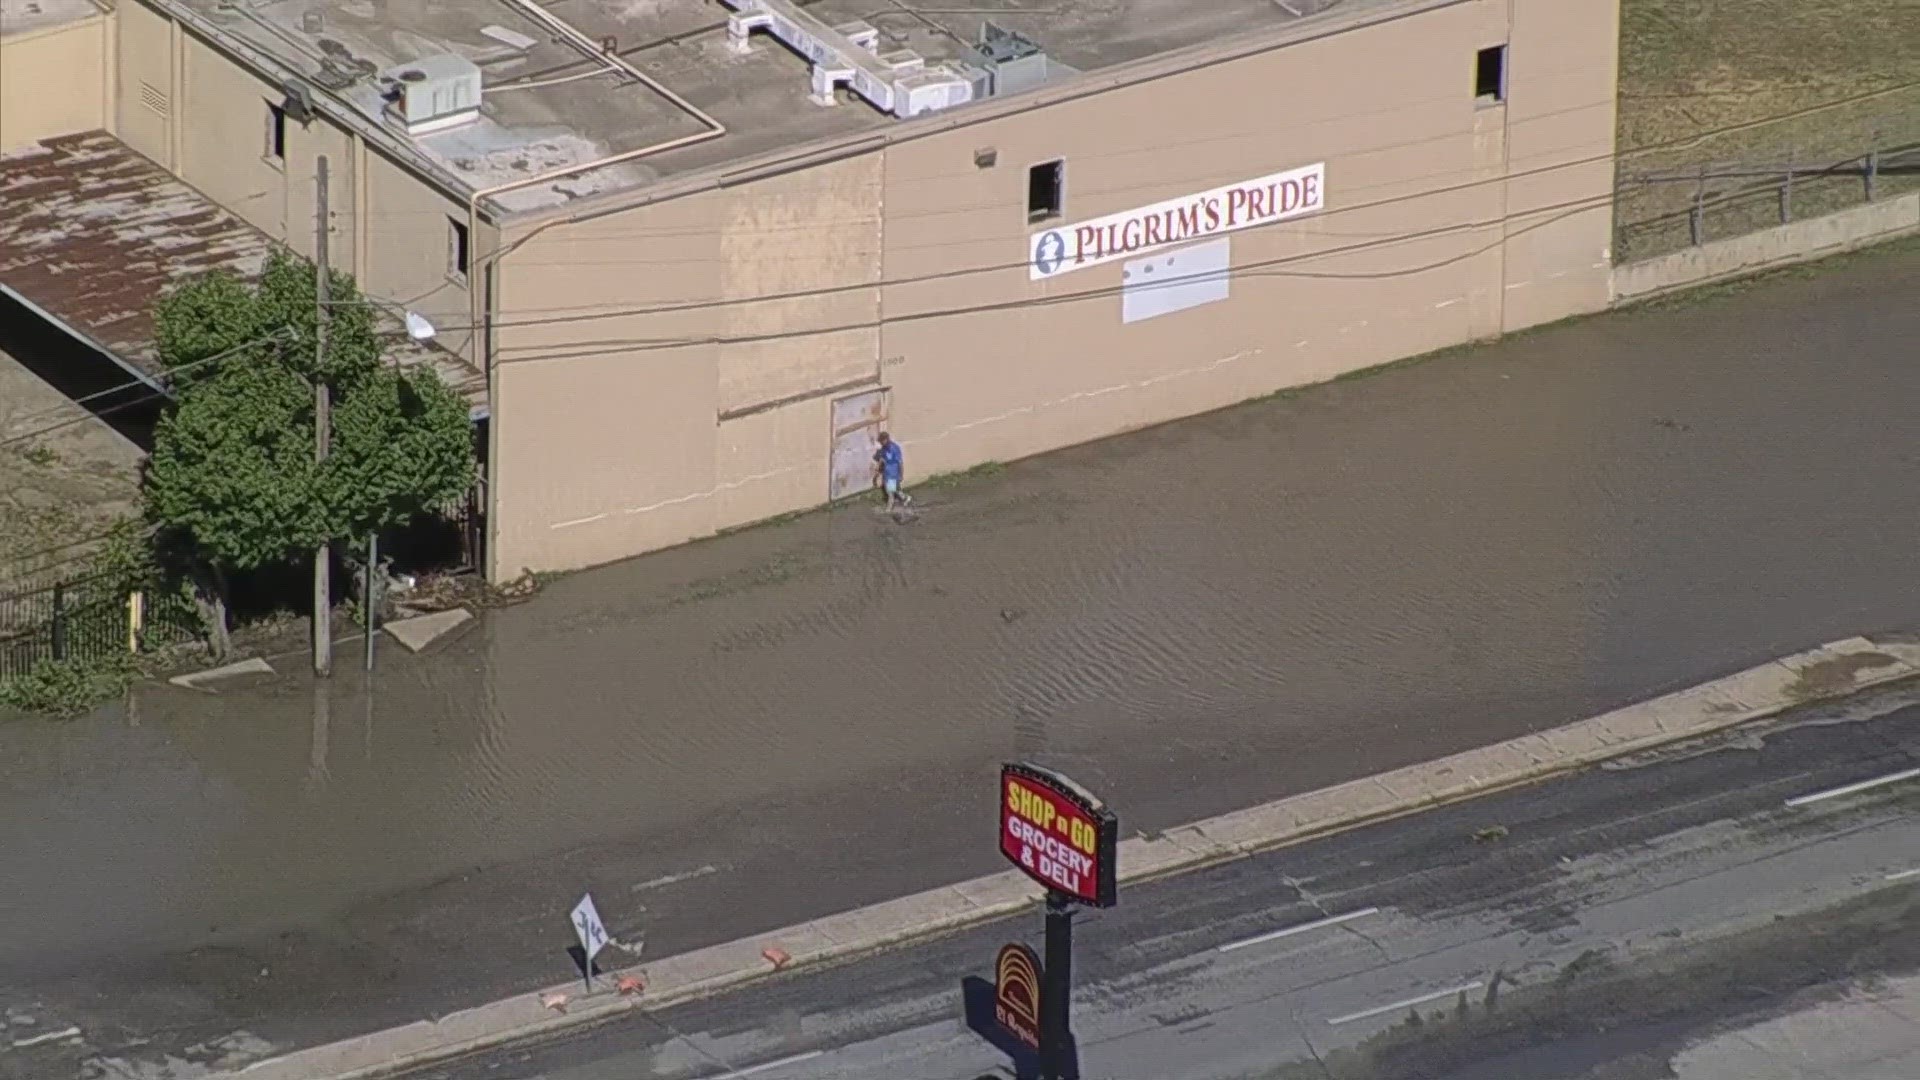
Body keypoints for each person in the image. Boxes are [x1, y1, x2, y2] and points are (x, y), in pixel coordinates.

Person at [873, 431, 910, 510]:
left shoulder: (895, 448)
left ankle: (888, 510)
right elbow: (882, 459)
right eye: (880, 441)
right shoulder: (884, 448)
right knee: (895, 489)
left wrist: (901, 474)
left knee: (890, 493)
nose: (880, 443)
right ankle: (905, 498)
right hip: (887, 473)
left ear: (886, 439)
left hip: (892, 474)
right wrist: (878, 469)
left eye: (881, 441)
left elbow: (900, 462)